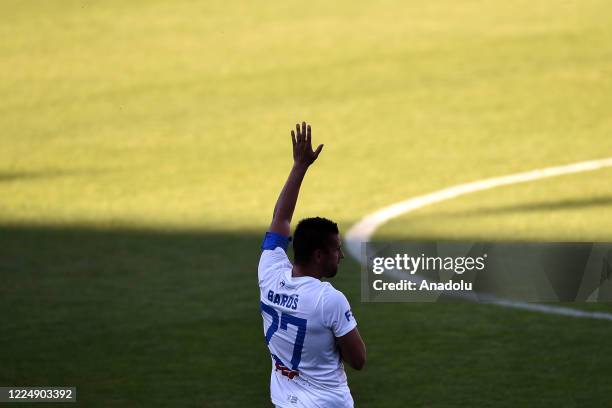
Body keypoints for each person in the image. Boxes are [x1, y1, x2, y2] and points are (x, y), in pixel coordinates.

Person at [258, 122, 366, 407]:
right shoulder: (328, 300)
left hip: (285, 402)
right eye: (336, 250)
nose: (341, 256)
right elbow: (358, 360)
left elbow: (280, 221)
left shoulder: (269, 272)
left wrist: (299, 166)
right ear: (318, 255)